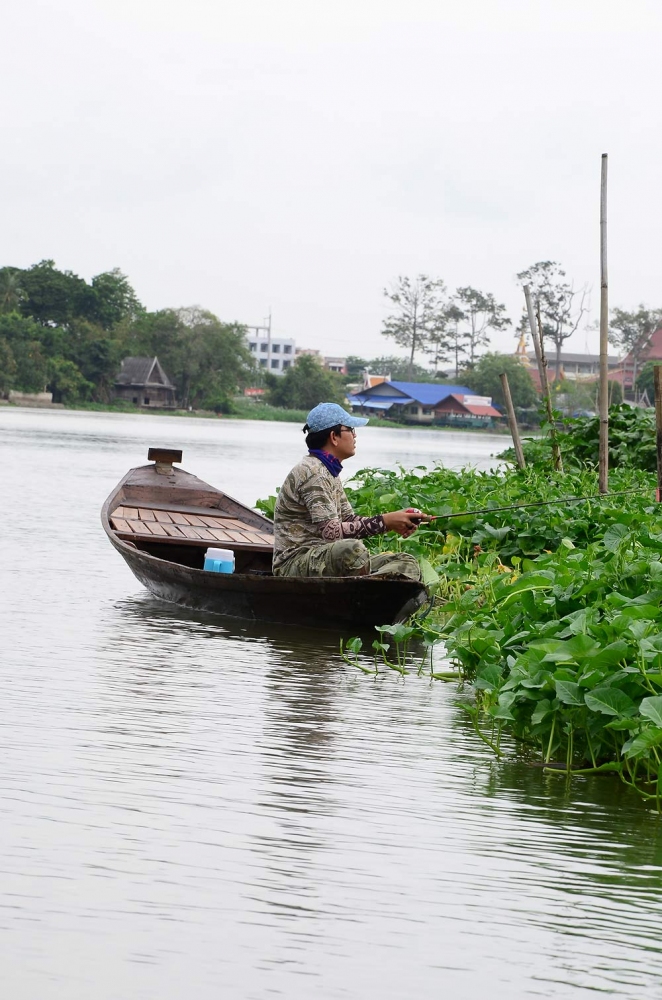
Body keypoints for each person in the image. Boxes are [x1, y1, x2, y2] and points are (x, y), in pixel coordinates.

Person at [272, 402, 433, 580]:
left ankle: (366, 591)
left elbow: (349, 520)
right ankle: (362, 594)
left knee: (405, 563)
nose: (355, 435)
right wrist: (385, 522)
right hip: (295, 564)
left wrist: (395, 520)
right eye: (350, 429)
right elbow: (331, 533)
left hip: (326, 560)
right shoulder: (313, 472)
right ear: (334, 436)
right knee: (352, 550)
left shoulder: (328, 470)